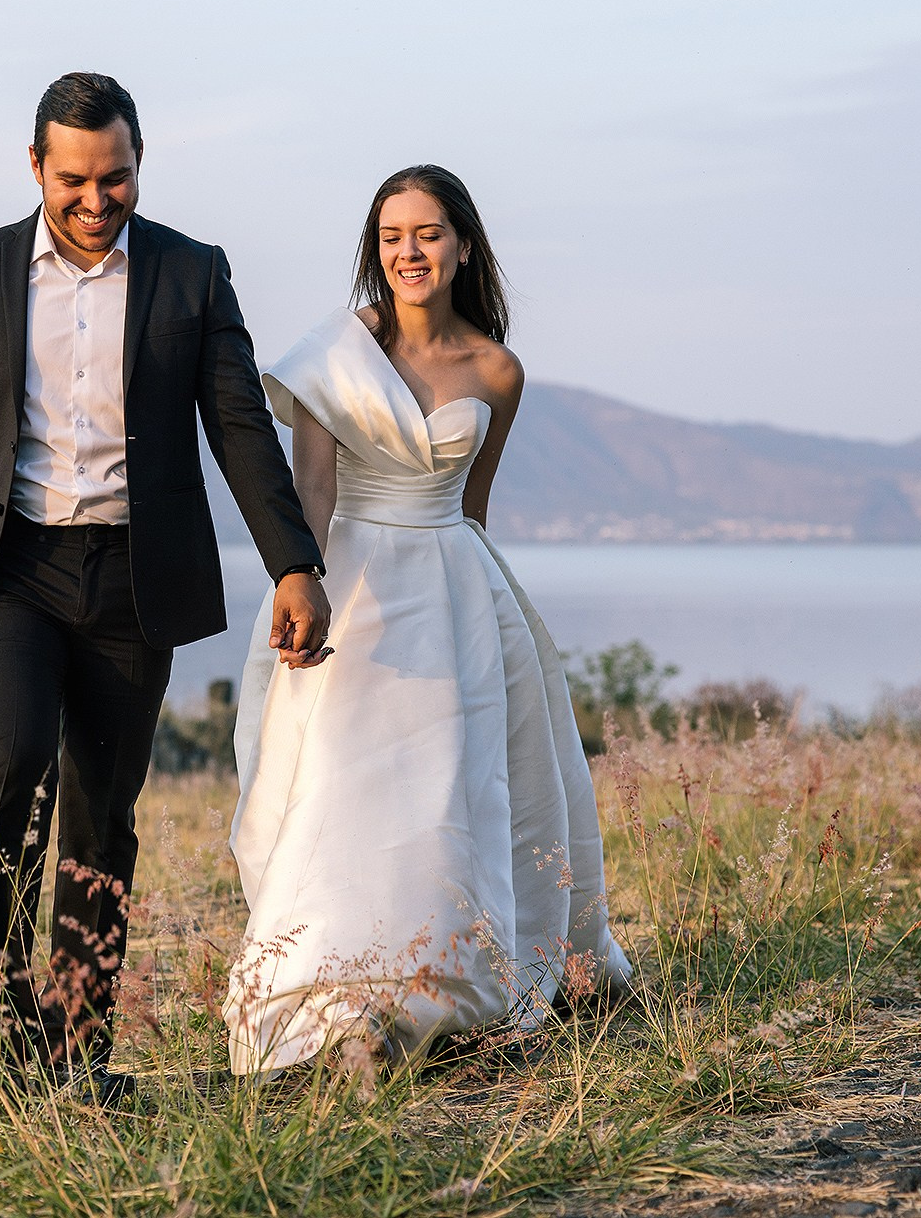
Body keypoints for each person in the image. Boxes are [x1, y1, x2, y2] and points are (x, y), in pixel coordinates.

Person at [0, 72, 332, 1103]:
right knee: (13, 759)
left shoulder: (192, 274)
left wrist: (294, 562)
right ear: (36, 165)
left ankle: (78, 1051)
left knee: (103, 808)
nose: (94, 199)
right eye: (73, 178)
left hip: (133, 575)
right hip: (12, 572)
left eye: (114, 178)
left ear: (137, 165)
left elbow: (242, 431)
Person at [225, 164, 632, 1076]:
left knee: (458, 788)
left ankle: (450, 983)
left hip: (455, 591)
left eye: (429, 233)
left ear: (463, 244)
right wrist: (306, 589)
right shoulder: (337, 352)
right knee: (339, 781)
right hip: (351, 587)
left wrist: (484, 617)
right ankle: (339, 999)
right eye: (392, 236)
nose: (410, 251)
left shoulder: (498, 369)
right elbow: (313, 489)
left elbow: (471, 506)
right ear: (377, 250)